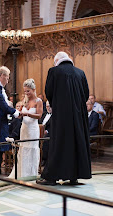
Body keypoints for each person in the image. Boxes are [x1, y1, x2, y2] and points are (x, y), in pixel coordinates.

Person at [37, 51, 92, 185]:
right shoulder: (80, 73)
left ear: (56, 61)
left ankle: (52, 177)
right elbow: (86, 94)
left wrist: (57, 104)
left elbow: (48, 92)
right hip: (78, 116)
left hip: (62, 115)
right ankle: (74, 176)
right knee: (76, 143)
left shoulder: (54, 71)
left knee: (59, 144)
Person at [8, 79, 43, 178]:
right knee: (23, 149)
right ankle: (21, 173)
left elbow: (39, 115)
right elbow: (19, 112)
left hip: (32, 129)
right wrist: (18, 114)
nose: (26, 93)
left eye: (28, 91)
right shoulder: (24, 101)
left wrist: (27, 113)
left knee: (31, 150)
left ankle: (31, 174)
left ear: (33, 90)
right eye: (25, 91)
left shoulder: (38, 101)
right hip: (24, 128)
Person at [39, 101, 52, 166]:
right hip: (40, 133)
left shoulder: (56, 115)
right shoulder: (44, 114)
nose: (48, 108)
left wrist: (47, 131)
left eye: (50, 106)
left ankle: (44, 159)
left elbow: (54, 126)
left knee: (46, 142)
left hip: (49, 134)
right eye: (47, 106)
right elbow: (39, 122)